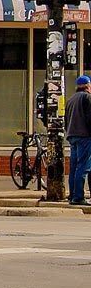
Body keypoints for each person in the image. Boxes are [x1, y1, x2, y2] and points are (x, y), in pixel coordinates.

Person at [66, 75, 91, 206]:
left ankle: (72, 195)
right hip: (84, 136)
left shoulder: (70, 99)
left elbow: (66, 120)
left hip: (72, 136)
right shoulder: (87, 97)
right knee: (83, 166)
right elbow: (89, 118)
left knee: (74, 167)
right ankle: (78, 197)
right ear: (88, 86)